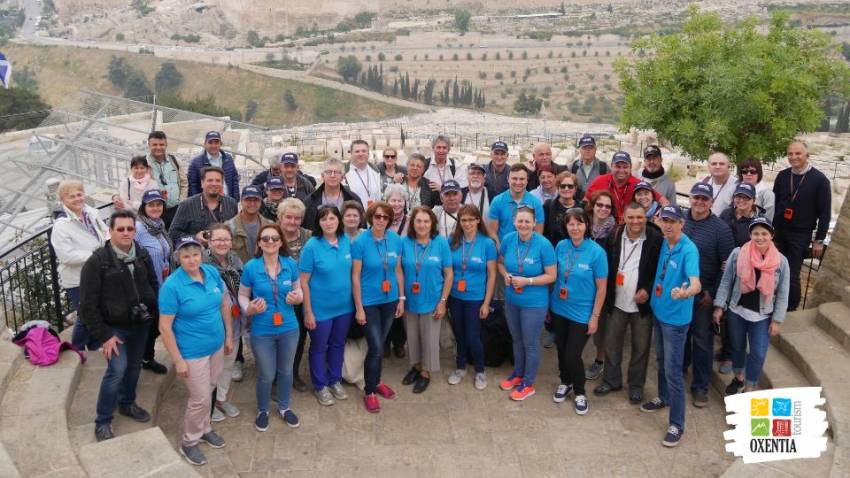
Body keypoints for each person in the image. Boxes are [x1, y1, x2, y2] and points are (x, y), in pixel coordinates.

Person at [80, 210, 159, 442]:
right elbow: (87, 305)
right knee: (117, 370)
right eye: (120, 229)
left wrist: (153, 309)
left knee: (134, 367)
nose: (126, 233)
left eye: (130, 228)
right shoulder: (97, 262)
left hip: (140, 324)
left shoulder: (141, 253)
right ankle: (103, 420)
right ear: (111, 231)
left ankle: (127, 403)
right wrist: (104, 335)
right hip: (114, 327)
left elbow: (152, 283)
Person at [159, 237, 233, 465]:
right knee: (200, 398)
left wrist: (229, 335)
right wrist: (178, 360)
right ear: (178, 259)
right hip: (192, 352)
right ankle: (189, 441)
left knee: (210, 388)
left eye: (195, 254)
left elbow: (224, 304)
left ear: (202, 255)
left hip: (216, 345)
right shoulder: (172, 286)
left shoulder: (211, 272)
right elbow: (165, 327)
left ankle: (204, 428)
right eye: (186, 256)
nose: (192, 260)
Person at [641, 205, 701, 448]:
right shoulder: (666, 242)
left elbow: (696, 283)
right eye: (664, 220)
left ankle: (677, 424)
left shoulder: (689, 250)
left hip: (675, 320)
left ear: (681, 224)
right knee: (661, 360)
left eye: (672, 221)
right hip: (659, 312)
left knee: (673, 371)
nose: (667, 225)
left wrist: (686, 293)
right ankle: (663, 397)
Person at [594, 202, 663, 405]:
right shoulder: (615, 235)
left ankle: (636, 386)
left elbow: (660, 270)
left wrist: (648, 290)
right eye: (631, 217)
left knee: (641, 348)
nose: (635, 221)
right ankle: (611, 381)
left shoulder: (655, 238)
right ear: (624, 218)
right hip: (616, 301)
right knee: (612, 344)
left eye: (639, 217)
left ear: (646, 218)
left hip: (642, 305)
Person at [713, 218, 790, 395]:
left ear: (771, 235)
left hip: (762, 316)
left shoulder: (781, 261)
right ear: (750, 235)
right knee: (737, 347)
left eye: (764, 233)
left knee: (758, 353)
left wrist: (777, 320)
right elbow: (726, 281)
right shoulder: (738, 253)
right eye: (756, 233)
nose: (760, 237)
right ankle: (739, 377)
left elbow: (783, 293)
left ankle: (750, 386)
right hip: (737, 311)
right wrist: (719, 306)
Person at [238, 224, 303, 432]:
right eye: (265, 238)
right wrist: (248, 308)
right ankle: (263, 410)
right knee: (266, 373)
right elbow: (242, 295)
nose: (270, 242)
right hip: (262, 330)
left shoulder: (290, 264)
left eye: (275, 238)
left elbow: (299, 291)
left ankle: (284, 407)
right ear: (259, 243)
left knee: (286, 370)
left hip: (289, 327)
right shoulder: (251, 267)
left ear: (281, 242)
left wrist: (297, 298)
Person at [549, 208, 608, 415]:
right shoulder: (560, 246)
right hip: (559, 307)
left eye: (579, 223)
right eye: (571, 224)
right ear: (566, 226)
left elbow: (602, 288)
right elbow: (554, 276)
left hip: (582, 313)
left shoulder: (597, 252)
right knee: (561, 349)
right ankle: (565, 382)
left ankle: (580, 392)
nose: (575, 228)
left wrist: (595, 316)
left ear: (587, 225)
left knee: (572, 354)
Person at [682, 182, 735, 408]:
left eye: (705, 199)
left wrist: (713, 294)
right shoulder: (680, 220)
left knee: (702, 341)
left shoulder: (721, 229)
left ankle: (700, 386)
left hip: (703, 295)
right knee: (681, 335)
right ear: (690, 198)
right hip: (679, 292)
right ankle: (680, 369)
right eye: (696, 197)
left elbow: (728, 266)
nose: (700, 202)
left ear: (711, 202)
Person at [497, 206, 557, 401]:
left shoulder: (544, 244)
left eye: (527, 221)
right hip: (512, 299)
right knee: (516, 339)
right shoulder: (508, 239)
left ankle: (528, 384)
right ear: (514, 222)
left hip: (534, 303)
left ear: (534, 223)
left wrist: (528, 281)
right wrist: (505, 275)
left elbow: (552, 276)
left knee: (530, 343)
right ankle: (518, 374)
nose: (523, 225)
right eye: (520, 221)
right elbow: (500, 263)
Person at [351, 201, 404, 413]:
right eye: (377, 216)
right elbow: (355, 276)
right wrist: (359, 307)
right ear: (371, 218)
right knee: (376, 347)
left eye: (385, 217)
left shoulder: (396, 240)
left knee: (380, 343)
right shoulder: (360, 242)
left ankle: (377, 380)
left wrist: (401, 298)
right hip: (369, 302)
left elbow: (397, 270)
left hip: (390, 300)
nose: (381, 220)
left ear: (390, 220)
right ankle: (370, 391)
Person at [300, 205, 354, 406]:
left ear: (339, 220)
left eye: (332, 218)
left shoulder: (346, 241)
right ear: (318, 223)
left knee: (338, 344)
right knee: (319, 347)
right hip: (320, 309)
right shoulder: (312, 246)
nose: (328, 222)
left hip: (344, 307)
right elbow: (303, 282)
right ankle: (320, 385)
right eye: (324, 219)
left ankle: (334, 380)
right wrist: (308, 311)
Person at [51, 180, 109, 351]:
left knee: (96, 311)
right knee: (85, 315)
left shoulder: (91, 213)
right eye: (71, 196)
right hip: (78, 277)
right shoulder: (61, 225)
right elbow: (65, 255)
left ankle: (94, 345)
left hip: (97, 273)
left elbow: (104, 231)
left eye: (79, 194)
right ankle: (76, 348)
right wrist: (96, 255)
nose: (77, 199)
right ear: (63, 200)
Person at [399, 207, 453, 394]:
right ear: (412, 223)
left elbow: (449, 274)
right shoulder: (404, 242)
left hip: (432, 299)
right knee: (412, 336)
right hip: (410, 299)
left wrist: (443, 301)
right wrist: (400, 298)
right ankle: (416, 366)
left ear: (432, 223)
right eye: (418, 221)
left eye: (426, 221)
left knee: (429, 339)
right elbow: (398, 270)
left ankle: (425, 373)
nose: (422, 225)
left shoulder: (441, 243)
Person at [772, 141, 831, 311]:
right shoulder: (783, 176)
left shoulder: (820, 180)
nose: (793, 157)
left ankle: (790, 309)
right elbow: (775, 203)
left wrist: (819, 239)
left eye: (798, 153)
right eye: (790, 154)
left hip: (801, 234)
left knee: (792, 274)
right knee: (775, 269)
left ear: (807, 155)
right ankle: (775, 302)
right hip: (779, 231)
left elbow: (825, 213)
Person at [447, 204, 497, 390]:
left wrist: (486, 303)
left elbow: (492, 274)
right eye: (463, 220)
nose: (467, 224)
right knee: (459, 333)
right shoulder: (452, 240)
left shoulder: (487, 243)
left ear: (478, 220)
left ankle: (480, 370)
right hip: (454, 296)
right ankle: (460, 367)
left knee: (473, 336)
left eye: (470, 219)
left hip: (475, 298)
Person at [203, 224, 244, 422]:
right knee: (211, 367)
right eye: (218, 239)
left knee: (228, 363)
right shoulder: (203, 263)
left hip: (234, 320)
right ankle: (207, 405)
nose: (222, 243)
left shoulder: (235, 259)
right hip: (213, 323)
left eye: (226, 239)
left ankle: (220, 399)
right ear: (209, 242)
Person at [134, 190, 171, 374]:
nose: (156, 208)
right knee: (154, 322)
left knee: (158, 322)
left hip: (163, 283)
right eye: (151, 205)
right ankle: (145, 357)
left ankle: (144, 355)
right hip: (148, 286)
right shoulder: (139, 228)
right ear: (144, 207)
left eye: (159, 204)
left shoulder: (159, 225)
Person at [278, 198, 312, 392]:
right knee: (279, 337)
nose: (292, 221)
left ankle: (294, 373)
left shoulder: (308, 236)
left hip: (303, 294)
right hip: (279, 297)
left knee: (299, 336)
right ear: (280, 217)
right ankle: (277, 376)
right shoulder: (272, 236)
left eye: (297, 218)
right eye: (288, 217)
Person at [584, 151, 665, 223]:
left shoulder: (639, 184)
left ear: (630, 167)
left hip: (629, 226)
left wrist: (660, 214)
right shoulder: (599, 180)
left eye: (625, 167)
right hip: (605, 225)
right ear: (611, 166)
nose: (621, 170)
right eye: (618, 166)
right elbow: (585, 200)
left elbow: (664, 202)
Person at [170, 166, 238, 245]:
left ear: (222, 183)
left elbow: (235, 232)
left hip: (223, 250)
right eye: (210, 180)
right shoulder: (186, 205)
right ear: (202, 183)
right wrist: (194, 238)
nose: (214, 184)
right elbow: (173, 234)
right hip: (197, 251)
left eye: (218, 181)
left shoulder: (231, 204)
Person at [383, 183, 409, 358]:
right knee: (386, 306)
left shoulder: (411, 221)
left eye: (400, 200)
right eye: (393, 200)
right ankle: (385, 342)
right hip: (384, 270)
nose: (396, 204)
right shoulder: (380, 218)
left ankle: (399, 342)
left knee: (400, 304)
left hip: (404, 269)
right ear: (387, 201)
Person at [488, 163, 545, 241]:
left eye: (522, 179)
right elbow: (492, 232)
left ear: (527, 180)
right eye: (514, 178)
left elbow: (538, 234)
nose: (518, 182)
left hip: (528, 248)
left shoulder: (536, 203)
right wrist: (501, 248)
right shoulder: (497, 201)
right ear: (508, 179)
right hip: (503, 248)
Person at [303, 158, 362, 231]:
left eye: (336, 172)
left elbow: (361, 227)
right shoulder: (310, 201)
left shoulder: (354, 199)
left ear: (343, 177)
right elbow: (306, 228)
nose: (332, 175)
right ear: (322, 176)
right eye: (329, 172)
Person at [144, 131, 188, 228]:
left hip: (175, 210)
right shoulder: (143, 163)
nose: (158, 147)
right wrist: (116, 196)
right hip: (154, 213)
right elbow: (129, 183)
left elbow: (184, 183)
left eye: (161, 144)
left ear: (166, 145)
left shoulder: (175, 161)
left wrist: (182, 202)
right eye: (155, 145)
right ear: (149, 145)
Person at [188, 131, 240, 201]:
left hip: (228, 201)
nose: (213, 146)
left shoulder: (228, 158)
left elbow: (234, 179)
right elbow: (192, 186)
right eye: (210, 142)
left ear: (220, 144)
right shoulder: (195, 163)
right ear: (205, 144)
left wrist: (235, 199)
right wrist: (197, 203)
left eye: (216, 143)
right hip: (207, 203)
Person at [228, 185, 273, 264]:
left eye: (256, 200)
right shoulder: (229, 226)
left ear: (261, 202)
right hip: (240, 270)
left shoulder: (270, 226)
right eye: (248, 200)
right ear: (241, 201)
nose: (252, 203)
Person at [542, 171, 582, 247]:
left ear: (575, 188)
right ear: (558, 187)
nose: (566, 189)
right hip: (553, 250)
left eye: (570, 186)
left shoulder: (582, 208)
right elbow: (544, 232)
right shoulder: (548, 206)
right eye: (563, 186)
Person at [720, 183, 765, 247]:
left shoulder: (760, 221)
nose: (741, 200)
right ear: (733, 198)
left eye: (746, 197)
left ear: (754, 200)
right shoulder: (726, 213)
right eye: (738, 196)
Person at [345, 139, 382, 209]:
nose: (361, 154)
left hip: (373, 213)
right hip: (354, 214)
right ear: (351, 154)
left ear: (368, 153)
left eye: (364, 151)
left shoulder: (375, 171)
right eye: (357, 151)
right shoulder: (344, 173)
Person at [251, 154, 317, 189]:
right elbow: (253, 188)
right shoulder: (263, 176)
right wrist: (266, 185)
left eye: (280, 169)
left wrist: (295, 176)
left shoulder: (294, 172)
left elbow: (313, 182)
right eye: (275, 169)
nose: (278, 171)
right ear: (270, 167)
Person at [702, 152, 736, 216]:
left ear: (728, 166)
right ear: (708, 167)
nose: (717, 166)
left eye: (721, 164)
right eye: (714, 164)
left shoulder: (737, 185)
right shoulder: (703, 182)